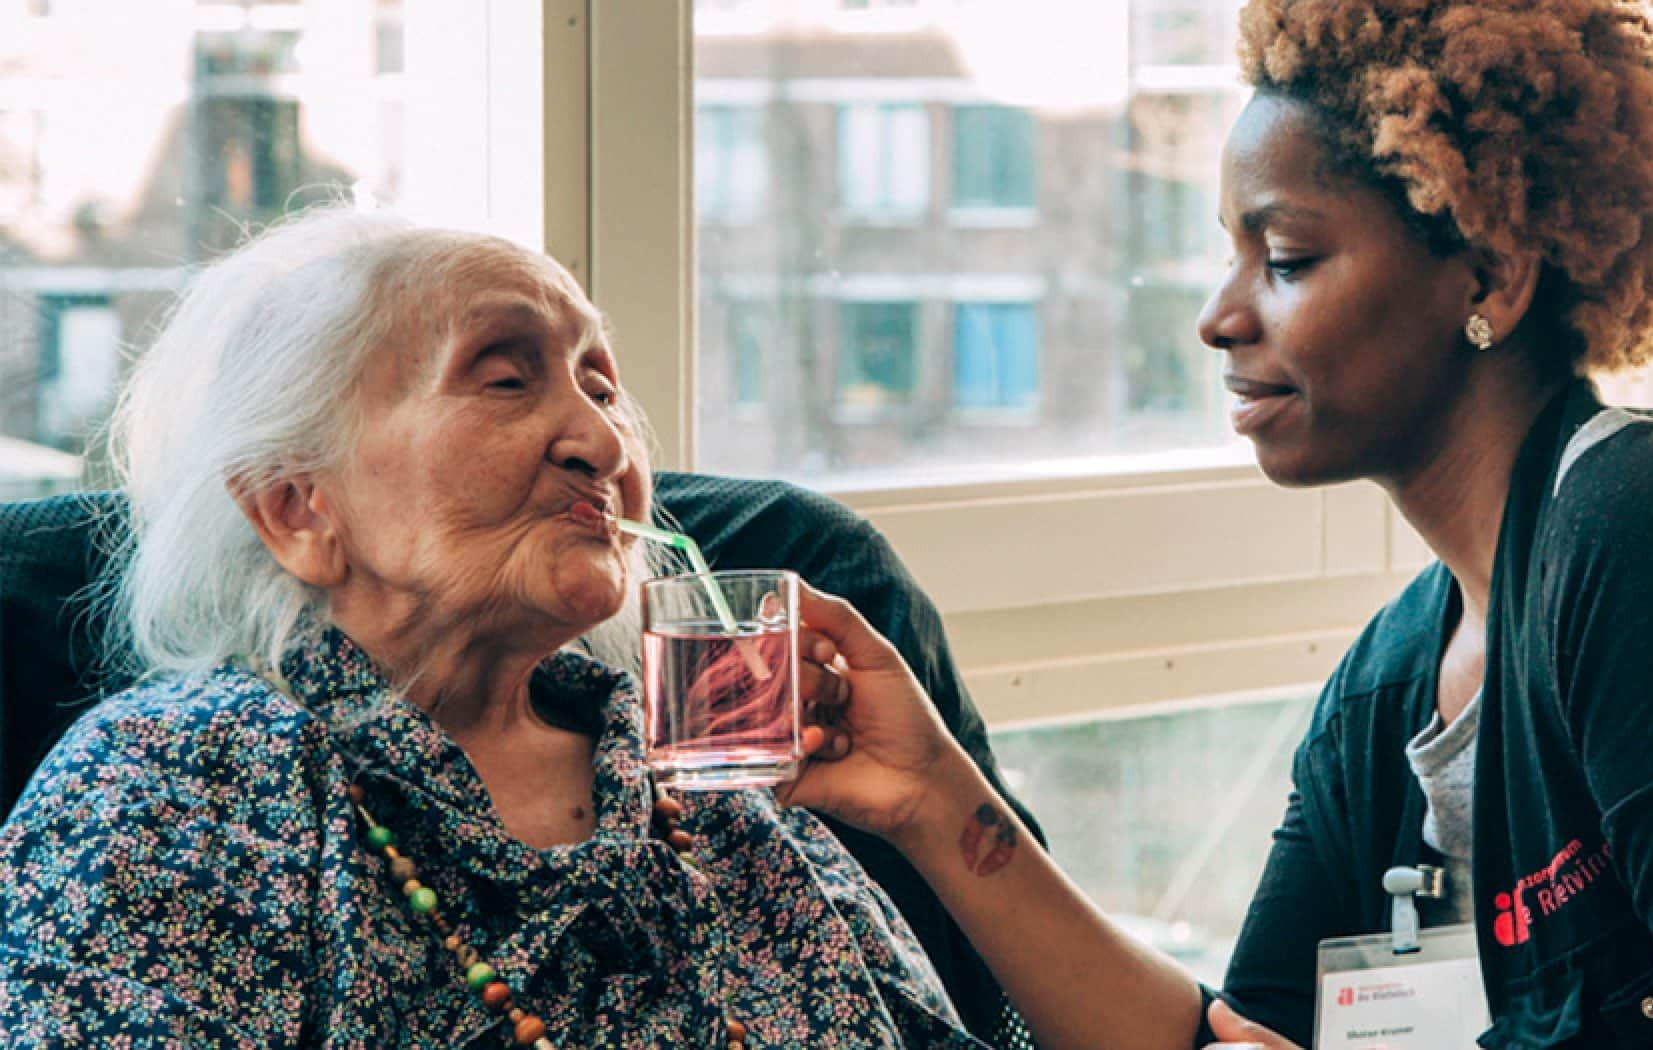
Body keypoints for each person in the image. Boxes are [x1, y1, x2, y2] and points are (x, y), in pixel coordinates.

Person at [777, 0, 1653, 1047]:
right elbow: (1238, 1043)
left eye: (1289, 256)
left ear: (1485, 269)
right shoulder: (1387, 694)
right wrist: (934, 797)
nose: (1220, 314)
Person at [0, 209, 1006, 1048]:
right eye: (506, 377)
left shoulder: (704, 785)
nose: (606, 441)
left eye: (601, 386)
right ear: (296, 506)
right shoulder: (175, 788)